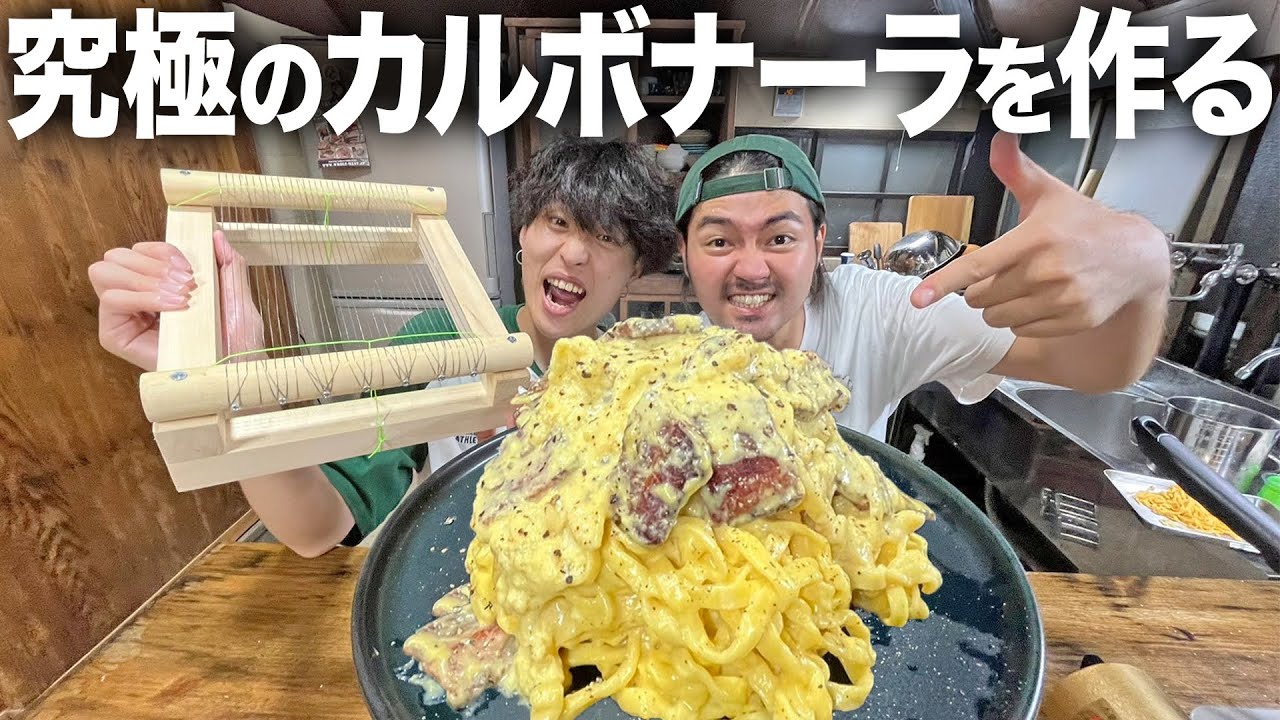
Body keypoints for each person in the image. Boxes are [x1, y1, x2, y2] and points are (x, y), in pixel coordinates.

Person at [90, 136, 680, 556]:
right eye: (559, 222)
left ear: (635, 269)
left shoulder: (646, 373)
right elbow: (317, 527)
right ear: (524, 232)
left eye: (607, 236)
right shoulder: (444, 342)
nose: (574, 253)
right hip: (463, 591)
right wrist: (238, 381)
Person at [674, 132, 1171, 441]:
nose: (752, 269)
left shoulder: (880, 312)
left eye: (780, 238)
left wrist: (1146, 268)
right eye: (719, 242)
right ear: (685, 253)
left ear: (819, 240)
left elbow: (1100, 367)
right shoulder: (669, 362)